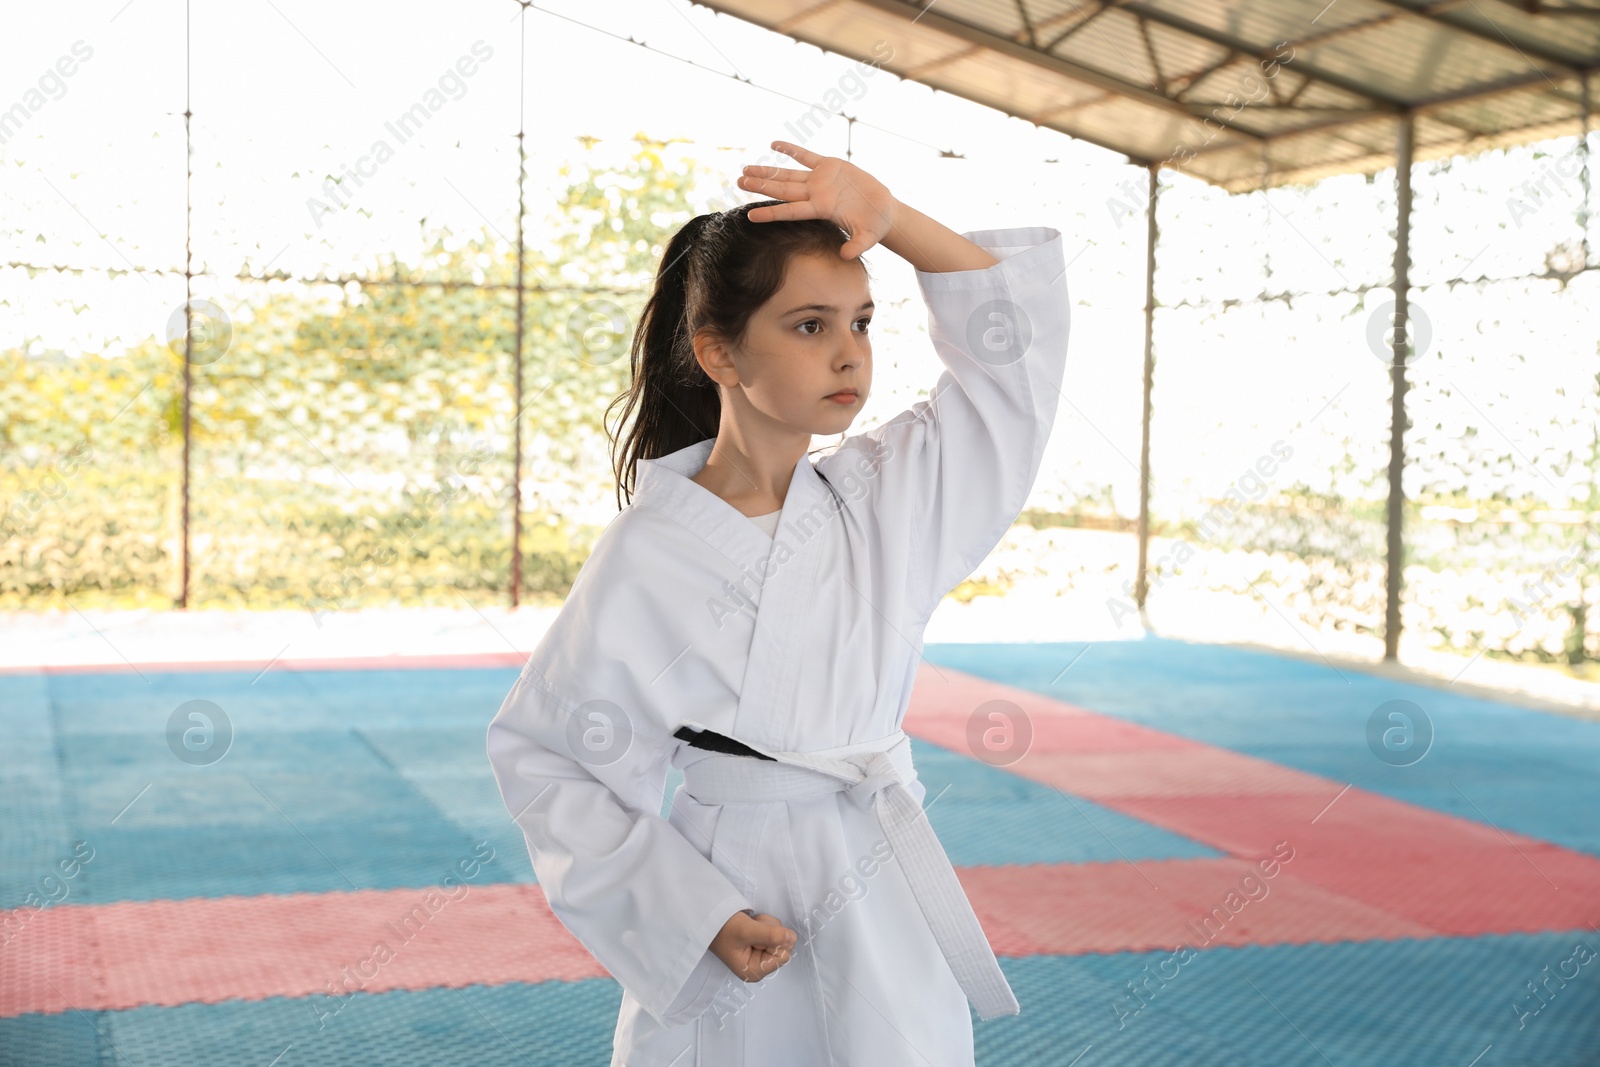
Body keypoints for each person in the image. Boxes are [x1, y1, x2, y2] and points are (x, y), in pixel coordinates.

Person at [486, 139, 1070, 1066]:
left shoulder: (885, 497)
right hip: (732, 880)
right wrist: (695, 914)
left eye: (864, 322)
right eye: (809, 326)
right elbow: (553, 759)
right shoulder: (649, 553)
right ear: (719, 350)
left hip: (874, 873)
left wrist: (895, 215)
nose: (849, 354)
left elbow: (1013, 378)